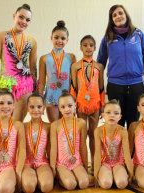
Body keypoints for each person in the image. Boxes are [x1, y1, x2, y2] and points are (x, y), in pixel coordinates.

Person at [97, 4, 144, 130]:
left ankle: (132, 150)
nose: (118, 16)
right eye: (114, 15)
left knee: (133, 124)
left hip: (136, 85)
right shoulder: (107, 38)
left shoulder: (139, 35)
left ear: (126, 15)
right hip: (115, 86)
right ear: (111, 19)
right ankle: (117, 150)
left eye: (120, 13)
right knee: (116, 124)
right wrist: (98, 89)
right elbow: (100, 64)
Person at [0, 4, 37, 123]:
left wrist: (36, 92)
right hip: (6, 85)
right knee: (5, 122)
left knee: (17, 123)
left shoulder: (32, 41)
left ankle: (16, 142)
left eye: (27, 20)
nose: (24, 21)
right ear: (14, 16)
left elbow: (33, 68)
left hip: (25, 87)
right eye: (21, 17)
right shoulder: (1, 36)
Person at [70, 35, 104, 172]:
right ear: (80, 47)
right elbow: (73, 86)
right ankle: (82, 162)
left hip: (95, 103)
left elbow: (102, 87)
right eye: (85, 45)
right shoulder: (75, 66)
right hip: (80, 103)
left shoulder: (100, 66)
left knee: (93, 134)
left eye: (91, 45)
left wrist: (102, 105)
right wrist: (72, 105)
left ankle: (95, 162)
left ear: (95, 48)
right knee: (82, 134)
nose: (88, 47)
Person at [38, 20, 76, 123]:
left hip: (67, 94)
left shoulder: (71, 57)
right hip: (51, 95)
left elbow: (74, 80)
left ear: (67, 40)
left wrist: (75, 97)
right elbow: (41, 81)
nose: (59, 40)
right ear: (51, 38)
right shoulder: (44, 58)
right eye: (56, 37)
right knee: (54, 125)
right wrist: (40, 100)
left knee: (67, 125)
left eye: (63, 38)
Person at [50, 90, 89, 190]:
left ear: (75, 105)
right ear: (59, 108)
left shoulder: (81, 123)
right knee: (71, 184)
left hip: (76, 161)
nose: (67, 109)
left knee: (84, 183)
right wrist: (53, 167)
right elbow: (53, 148)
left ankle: (73, 174)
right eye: (63, 107)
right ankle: (62, 176)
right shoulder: (55, 125)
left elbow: (83, 146)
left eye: (70, 105)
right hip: (62, 163)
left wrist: (85, 164)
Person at [94, 100, 133, 189]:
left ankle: (117, 176)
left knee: (121, 184)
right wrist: (96, 175)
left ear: (120, 117)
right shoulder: (98, 131)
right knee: (106, 184)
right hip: (105, 163)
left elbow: (127, 154)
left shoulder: (123, 131)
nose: (112, 115)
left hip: (118, 163)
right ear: (103, 115)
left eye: (116, 113)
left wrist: (131, 174)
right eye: (108, 112)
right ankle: (108, 177)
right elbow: (97, 154)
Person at [21, 94, 53, 193]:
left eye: (39, 107)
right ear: (27, 108)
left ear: (43, 108)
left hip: (42, 161)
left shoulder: (49, 126)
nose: (36, 110)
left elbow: (50, 149)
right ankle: (32, 180)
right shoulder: (22, 126)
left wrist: (53, 168)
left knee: (46, 186)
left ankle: (39, 179)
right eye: (32, 107)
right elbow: (20, 149)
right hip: (26, 162)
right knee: (29, 187)